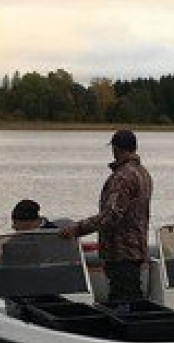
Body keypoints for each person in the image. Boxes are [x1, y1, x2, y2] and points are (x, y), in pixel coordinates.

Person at [58, 129, 153, 304]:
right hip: (136, 249)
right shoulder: (143, 173)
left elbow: (110, 216)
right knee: (132, 298)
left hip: (121, 252)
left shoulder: (122, 177)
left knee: (124, 301)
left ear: (116, 149)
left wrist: (76, 229)